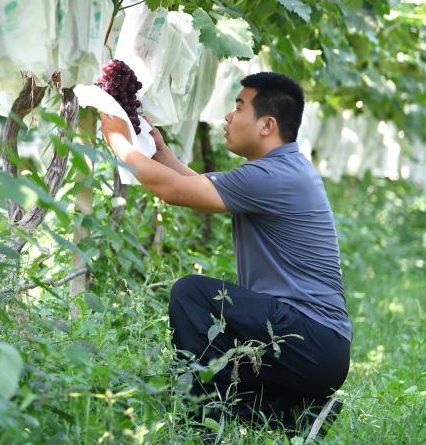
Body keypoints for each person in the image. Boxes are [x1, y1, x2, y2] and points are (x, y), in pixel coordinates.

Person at [99, 72, 351, 431]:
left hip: (308, 339)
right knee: (219, 344)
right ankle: (295, 415)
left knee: (192, 295)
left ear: (267, 124)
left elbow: (172, 191)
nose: (228, 117)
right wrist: (162, 152)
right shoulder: (282, 169)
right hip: (318, 347)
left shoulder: (271, 177)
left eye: (238, 107)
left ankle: (201, 425)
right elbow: (195, 188)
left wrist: (118, 141)